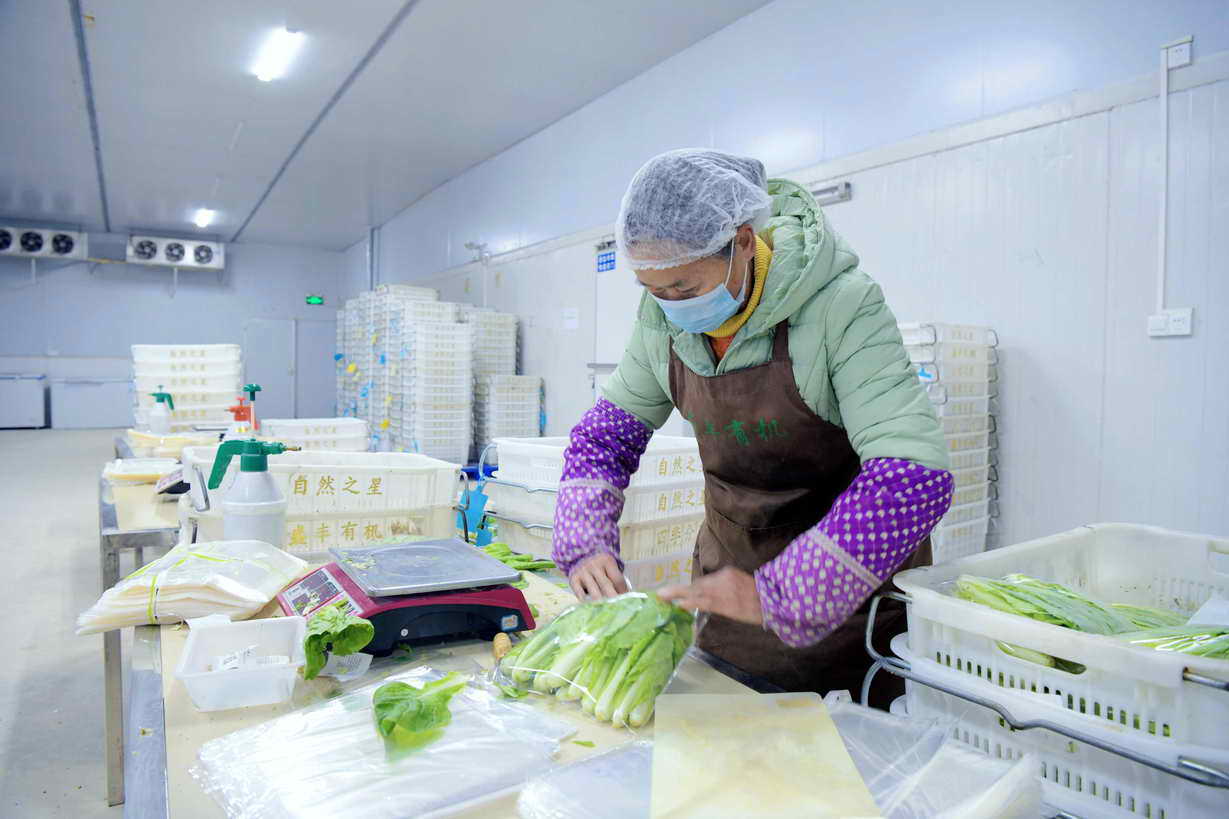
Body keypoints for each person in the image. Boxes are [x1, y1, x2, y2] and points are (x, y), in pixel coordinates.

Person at [550, 149, 953, 704]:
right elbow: (606, 437)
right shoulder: (662, 323)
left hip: (848, 609)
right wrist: (584, 540)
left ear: (743, 241)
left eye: (684, 289)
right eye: (653, 290)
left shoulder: (841, 305)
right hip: (727, 596)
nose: (670, 306)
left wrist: (795, 589)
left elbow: (914, 475)